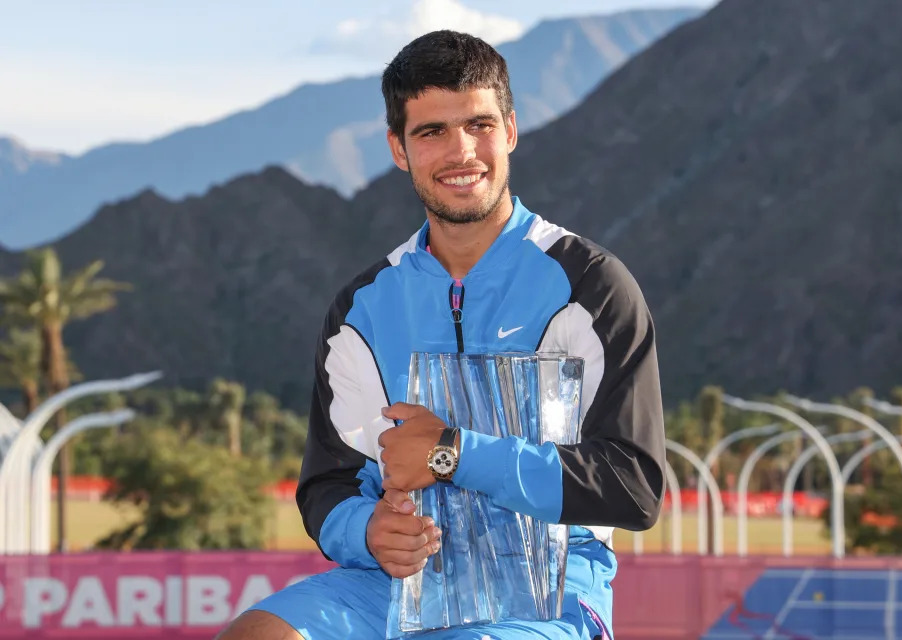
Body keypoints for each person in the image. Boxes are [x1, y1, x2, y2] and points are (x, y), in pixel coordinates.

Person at [216, 29, 665, 640]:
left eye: (479, 125)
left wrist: (452, 453)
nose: (461, 152)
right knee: (257, 635)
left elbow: (633, 487)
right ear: (399, 149)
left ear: (510, 130)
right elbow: (328, 486)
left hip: (543, 593)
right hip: (393, 586)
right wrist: (369, 532)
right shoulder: (363, 309)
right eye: (431, 132)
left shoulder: (590, 285)